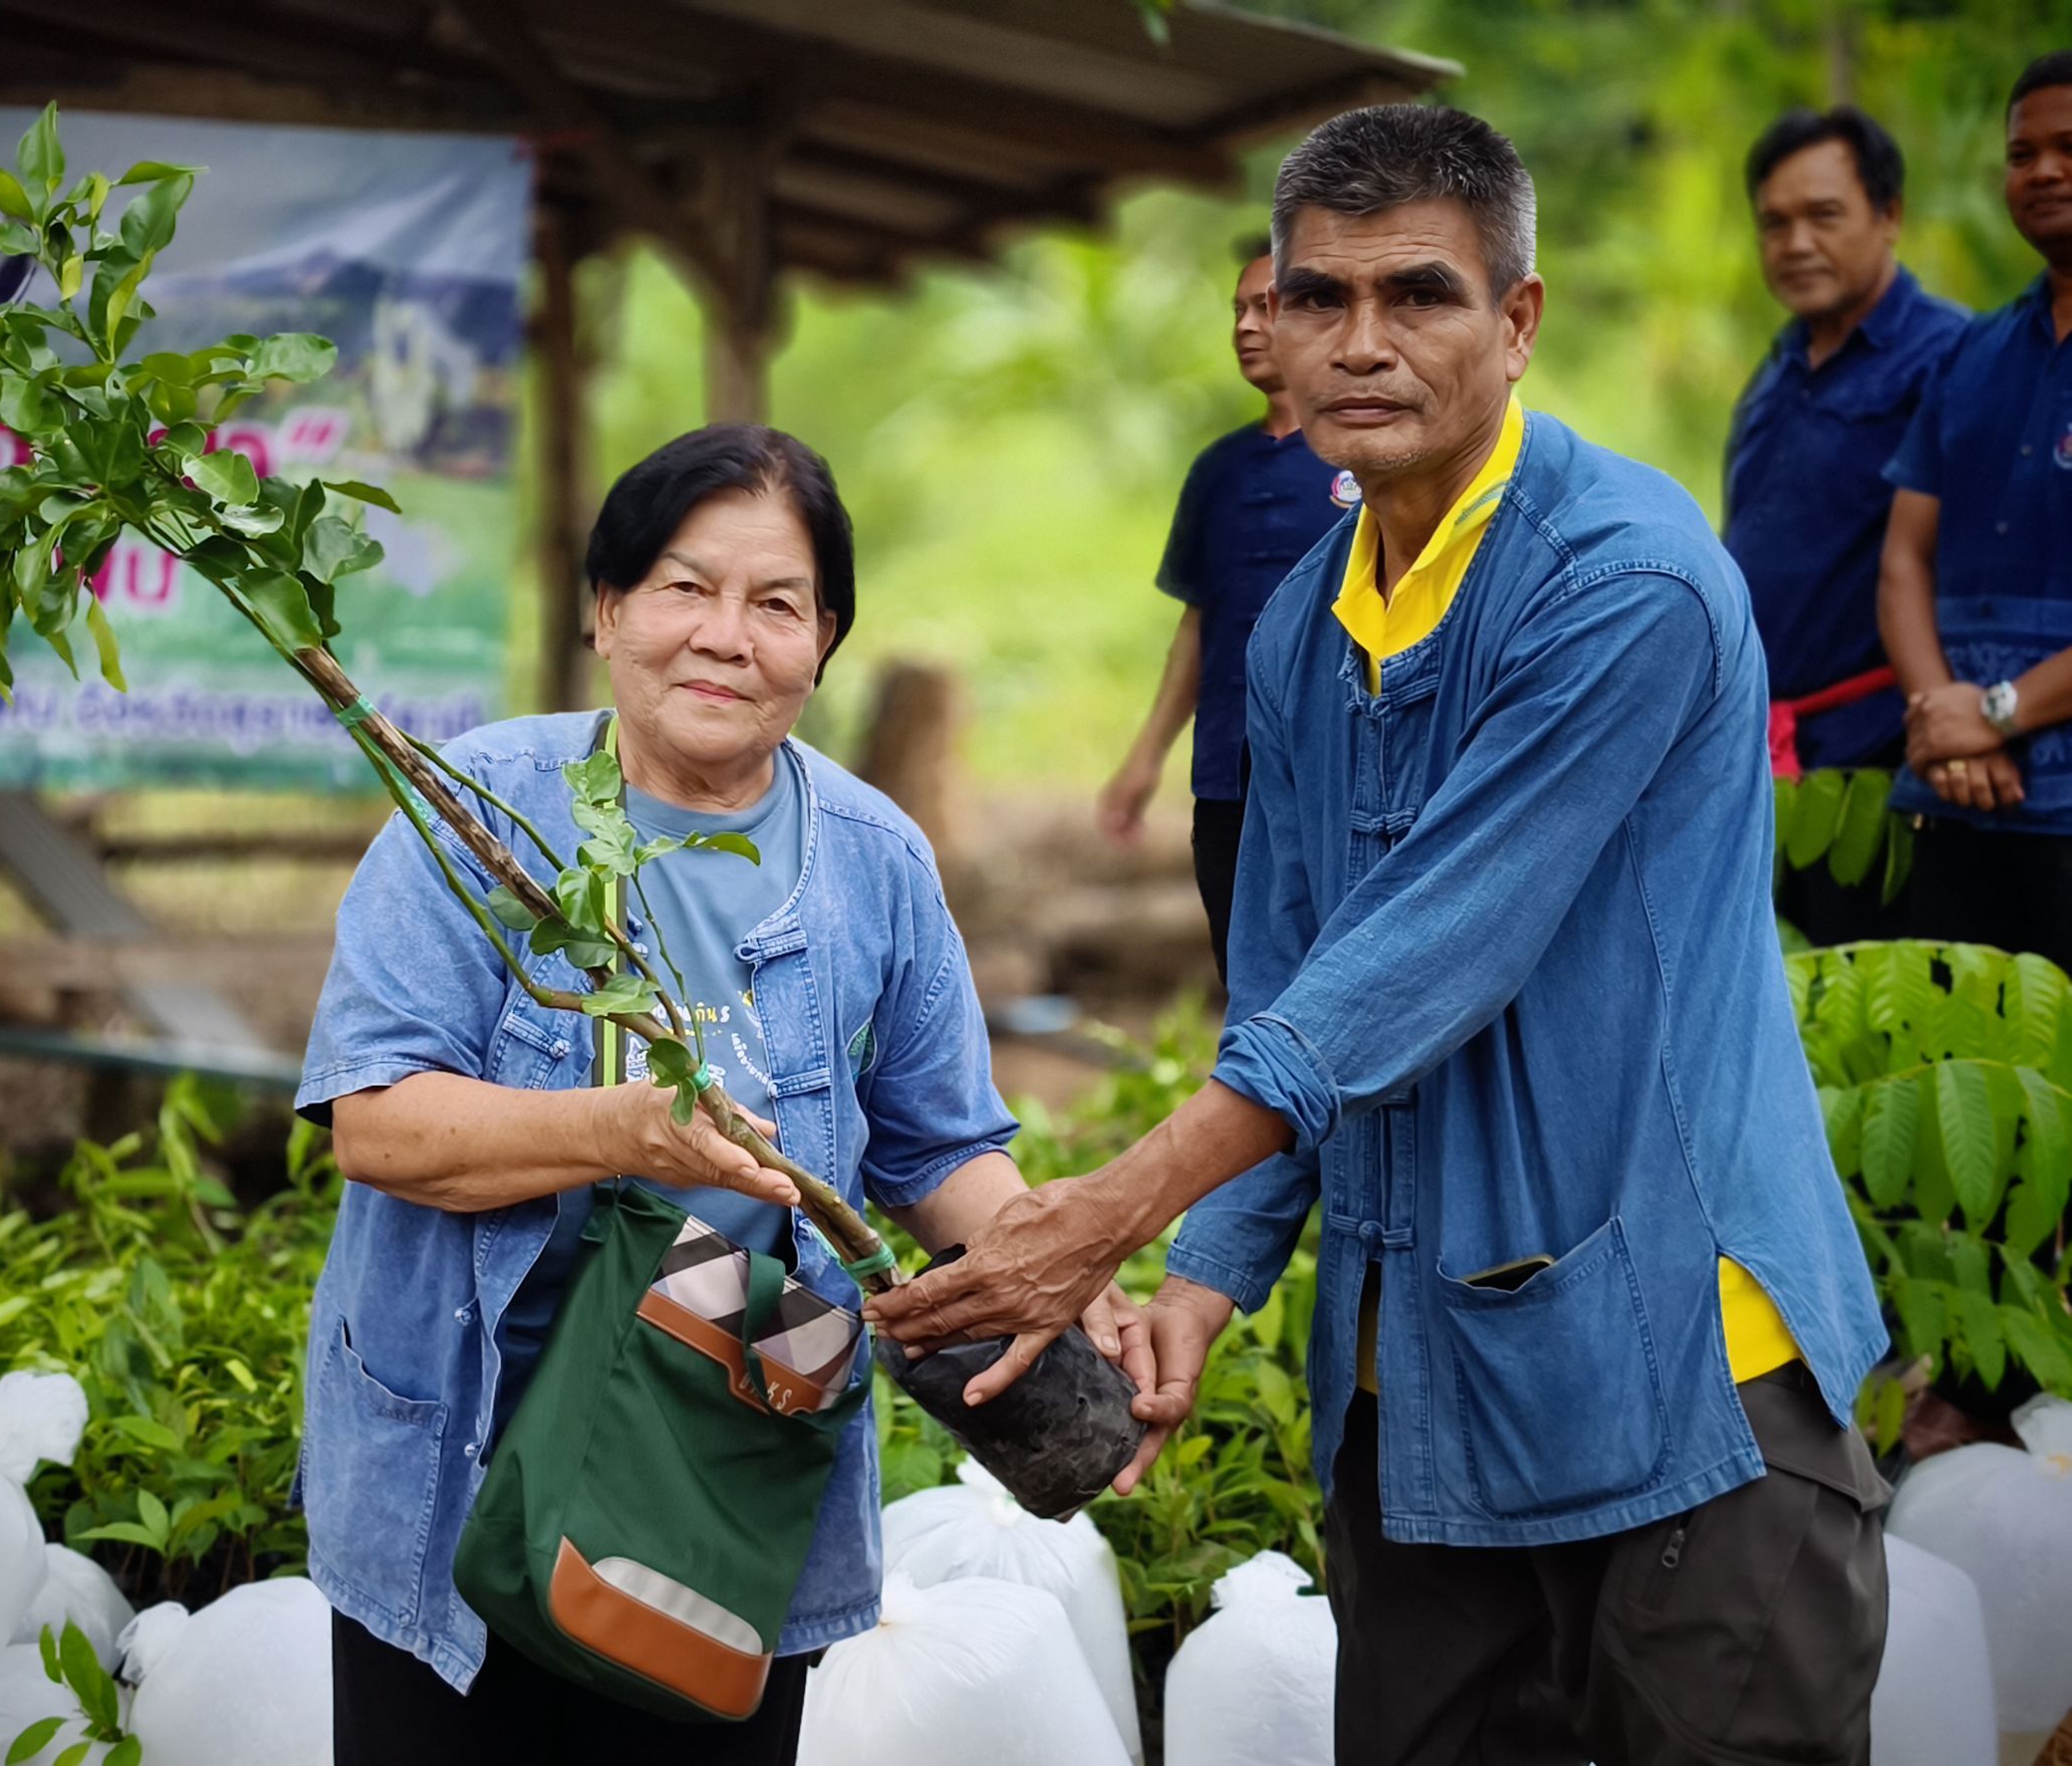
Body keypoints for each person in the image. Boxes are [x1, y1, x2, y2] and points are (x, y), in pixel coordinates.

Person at [870, 106, 1891, 1766]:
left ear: (1516, 319)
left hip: (1685, 1374)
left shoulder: (1621, 577)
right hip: (1409, 1387)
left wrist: (1113, 1207)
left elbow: (1425, 949)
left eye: (1415, 295)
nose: (1360, 342)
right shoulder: (1295, 623)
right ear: (1260, 325)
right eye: (1318, 298)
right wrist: (1198, 1278)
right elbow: (1282, 975)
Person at [294, 425, 1146, 1764]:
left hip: (727, 1480)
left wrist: (1052, 1263)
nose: (725, 637)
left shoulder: (873, 861)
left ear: (824, 643)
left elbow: (942, 1150)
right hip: (465, 1467)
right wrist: (621, 1129)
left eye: (778, 604)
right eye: (685, 588)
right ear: (607, 608)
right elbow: (380, 1122)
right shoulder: (479, 816)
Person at [1724, 106, 1965, 944]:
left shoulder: (1950, 360)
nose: (1795, 243)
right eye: (1775, 223)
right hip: (1767, 758)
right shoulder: (1782, 362)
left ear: (1888, 215)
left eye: (1823, 216)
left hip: (1880, 767)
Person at [1098, 239, 1358, 980]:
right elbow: (1198, 621)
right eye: (1238, 310)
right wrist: (1144, 759)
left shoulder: (1368, 455)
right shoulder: (1216, 472)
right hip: (1226, 778)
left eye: (1267, 306)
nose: (1246, 325)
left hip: (1339, 772)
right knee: (1245, 980)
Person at [1877, 50, 2072, 978]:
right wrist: (1942, 717)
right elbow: (1905, 560)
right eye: (2022, 152)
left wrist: (1993, 712)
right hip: (1958, 801)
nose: (2041, 172)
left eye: (2069, 148)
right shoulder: (1973, 353)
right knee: (1953, 1090)